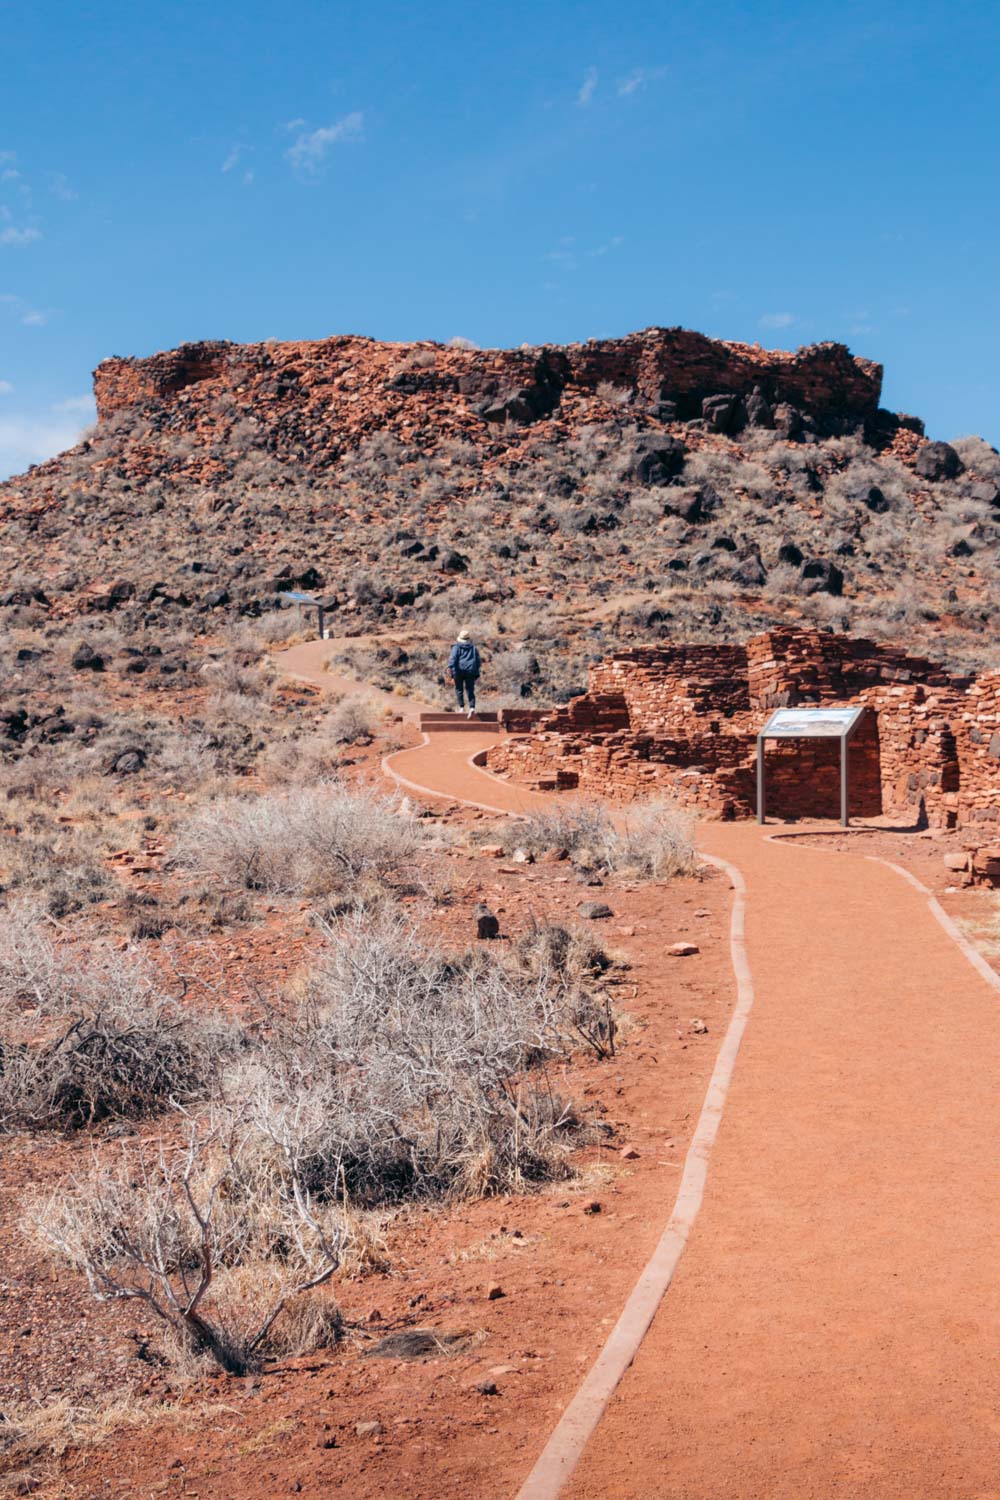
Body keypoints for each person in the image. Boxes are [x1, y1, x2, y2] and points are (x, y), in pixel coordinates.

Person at [448, 628, 481, 716]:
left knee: (459, 689)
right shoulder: (473, 648)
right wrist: (477, 673)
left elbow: (453, 659)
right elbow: (478, 661)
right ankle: (472, 707)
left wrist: (450, 669)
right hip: (470, 671)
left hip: (458, 671)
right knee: (470, 689)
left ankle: (461, 707)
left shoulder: (456, 647)